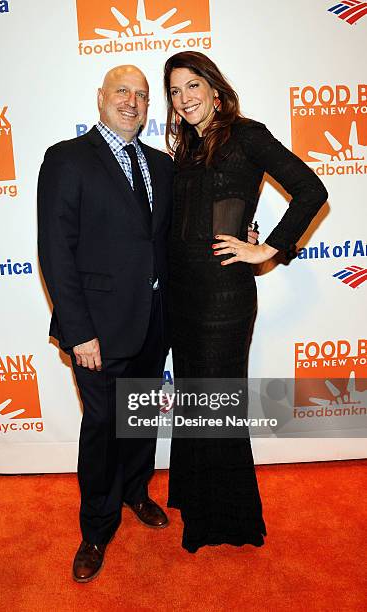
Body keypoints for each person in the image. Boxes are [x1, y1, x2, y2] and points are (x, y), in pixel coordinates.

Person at [163, 51, 328, 553]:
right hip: (182, 294)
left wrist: (268, 247)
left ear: (215, 89)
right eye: (174, 91)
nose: (185, 98)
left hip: (222, 298)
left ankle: (225, 522)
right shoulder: (187, 148)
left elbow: (309, 188)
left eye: (193, 86)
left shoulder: (247, 134)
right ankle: (196, 500)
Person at [37, 65, 174, 582]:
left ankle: (136, 493)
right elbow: (55, 251)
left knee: (138, 419)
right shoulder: (66, 160)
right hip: (95, 329)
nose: (132, 102)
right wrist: (78, 332)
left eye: (141, 96)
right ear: (100, 98)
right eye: (123, 91)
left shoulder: (161, 166)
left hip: (152, 323)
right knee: (101, 428)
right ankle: (96, 527)